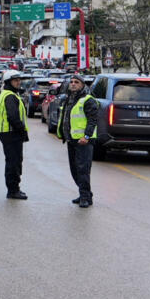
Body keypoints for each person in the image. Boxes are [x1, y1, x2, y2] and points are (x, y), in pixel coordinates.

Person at [57, 74, 99, 208]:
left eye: (76, 82)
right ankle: (85, 194)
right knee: (74, 170)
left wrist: (86, 136)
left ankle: (85, 197)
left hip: (83, 141)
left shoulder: (88, 100)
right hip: (72, 140)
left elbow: (93, 120)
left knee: (83, 169)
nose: (73, 84)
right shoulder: (70, 98)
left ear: (82, 85)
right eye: (72, 82)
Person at [0, 70, 29, 200]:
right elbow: (13, 117)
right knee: (14, 163)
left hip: (8, 133)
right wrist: (22, 131)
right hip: (11, 133)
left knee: (13, 161)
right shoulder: (10, 96)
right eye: (15, 80)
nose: (18, 82)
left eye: (19, 80)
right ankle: (13, 190)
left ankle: (14, 188)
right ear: (8, 82)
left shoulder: (8, 94)